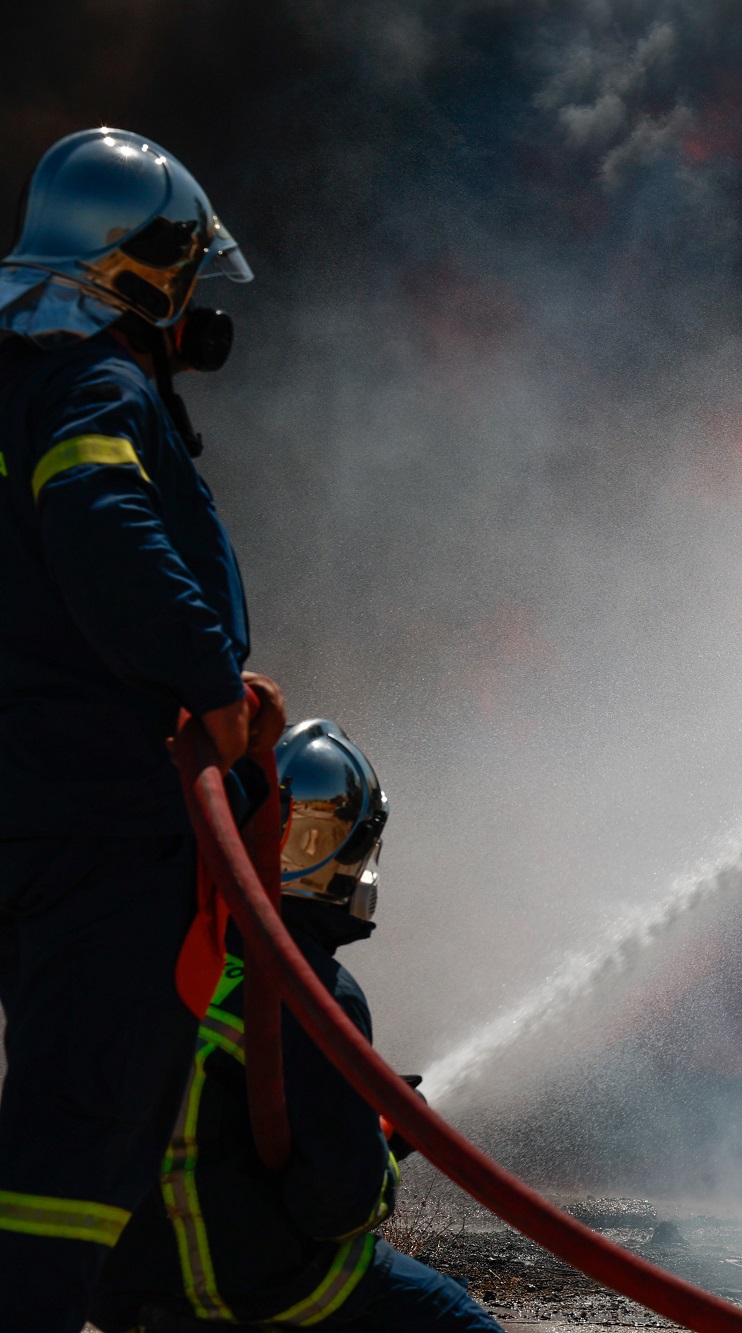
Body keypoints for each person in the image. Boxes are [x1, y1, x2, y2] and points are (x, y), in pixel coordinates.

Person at [0, 127, 285, 1330]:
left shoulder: (21, 379)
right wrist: (211, 684)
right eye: (182, 280)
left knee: (77, 1111)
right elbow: (104, 521)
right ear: (140, 268)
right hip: (103, 820)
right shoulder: (96, 385)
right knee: (83, 1128)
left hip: (40, 802)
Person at [91, 718, 502, 1332]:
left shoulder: (140, 954)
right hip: (263, 1293)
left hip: (129, 1295)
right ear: (335, 845)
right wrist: (381, 1145)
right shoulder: (313, 992)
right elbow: (337, 1206)